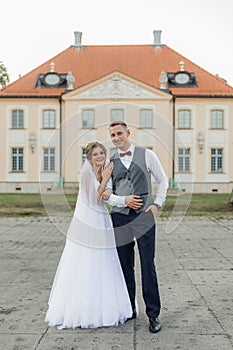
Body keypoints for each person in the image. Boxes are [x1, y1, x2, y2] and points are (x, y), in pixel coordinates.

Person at [45, 142, 140, 329]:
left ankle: (108, 305)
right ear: (89, 158)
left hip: (102, 219)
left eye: (101, 153)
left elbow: (107, 193)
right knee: (87, 261)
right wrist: (104, 180)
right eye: (95, 154)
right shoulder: (86, 174)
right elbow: (94, 199)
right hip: (88, 221)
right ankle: (85, 309)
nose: (99, 156)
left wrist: (109, 186)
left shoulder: (105, 170)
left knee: (105, 260)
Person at [109, 121, 168, 333]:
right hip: (119, 218)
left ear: (128, 133)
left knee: (147, 265)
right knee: (124, 265)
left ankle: (153, 315)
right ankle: (129, 309)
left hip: (144, 216)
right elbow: (106, 192)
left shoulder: (147, 155)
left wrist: (157, 204)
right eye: (113, 134)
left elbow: (163, 180)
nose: (116, 137)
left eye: (119, 133)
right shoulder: (109, 159)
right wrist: (122, 201)